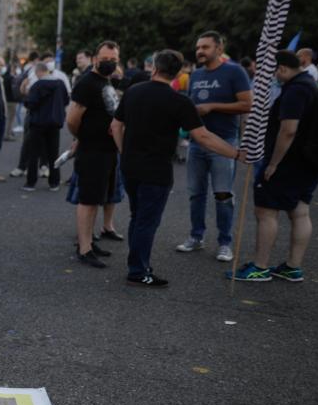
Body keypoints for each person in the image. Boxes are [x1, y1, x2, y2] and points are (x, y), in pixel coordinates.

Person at [112, 49, 241, 288]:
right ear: (178, 73)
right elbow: (202, 136)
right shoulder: (180, 101)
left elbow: (115, 126)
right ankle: (138, 270)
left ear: (154, 68)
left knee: (137, 216)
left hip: (130, 166)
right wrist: (236, 153)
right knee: (146, 221)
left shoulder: (133, 91)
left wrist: (122, 152)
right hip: (156, 170)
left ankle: (138, 265)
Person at [229, 50, 318, 282]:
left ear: (281, 68)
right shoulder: (310, 84)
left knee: (265, 211)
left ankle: (260, 266)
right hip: (310, 161)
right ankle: (292, 266)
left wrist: (273, 163)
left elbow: (288, 130)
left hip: (288, 163)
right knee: (300, 211)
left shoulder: (295, 90)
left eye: (272, 71)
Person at [176, 31, 252, 262]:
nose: (200, 51)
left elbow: (247, 104)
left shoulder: (234, 71)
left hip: (224, 141)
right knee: (195, 194)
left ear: (219, 48)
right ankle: (196, 237)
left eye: (205, 47)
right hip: (197, 144)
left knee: (223, 195)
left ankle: (225, 243)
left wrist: (212, 107)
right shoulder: (195, 75)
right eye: (198, 47)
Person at [67, 40, 122, 268]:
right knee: (88, 200)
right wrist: (81, 137)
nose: (108, 63)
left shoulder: (106, 81)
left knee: (97, 199)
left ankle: (88, 241)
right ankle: (84, 248)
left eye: (113, 60)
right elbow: (72, 119)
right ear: (94, 59)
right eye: (104, 59)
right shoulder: (86, 82)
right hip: (92, 150)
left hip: (107, 150)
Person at [22, 61, 69, 191]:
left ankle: (31, 183)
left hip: (38, 123)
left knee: (34, 154)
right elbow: (66, 100)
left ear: (38, 72)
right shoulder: (60, 84)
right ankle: (54, 183)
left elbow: (31, 103)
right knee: (54, 153)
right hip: (54, 123)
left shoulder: (37, 85)